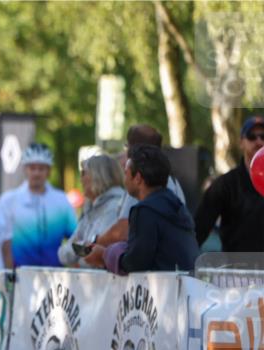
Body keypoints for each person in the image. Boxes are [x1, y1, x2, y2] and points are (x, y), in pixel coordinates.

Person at [92, 145, 199, 275]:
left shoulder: (145, 211)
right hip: (185, 283)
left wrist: (105, 255)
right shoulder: (177, 205)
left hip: (164, 286)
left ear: (137, 178)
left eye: (126, 173)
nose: (124, 180)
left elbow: (135, 263)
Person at [0, 143, 76, 267]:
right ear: (25, 169)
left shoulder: (61, 199)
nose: (36, 173)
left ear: (49, 171)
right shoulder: (8, 200)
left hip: (55, 273)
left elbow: (75, 236)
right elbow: (0, 241)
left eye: (41, 168)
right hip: (19, 273)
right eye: (32, 168)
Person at [194, 115, 264, 253]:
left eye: (263, 136)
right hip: (236, 264)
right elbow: (198, 229)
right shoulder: (225, 185)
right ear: (241, 142)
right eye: (252, 137)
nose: (259, 141)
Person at [61, 154, 126, 268]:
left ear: (98, 175)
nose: (80, 179)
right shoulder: (90, 208)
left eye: (83, 173)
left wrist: (79, 259)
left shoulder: (115, 206)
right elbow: (65, 255)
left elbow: (92, 255)